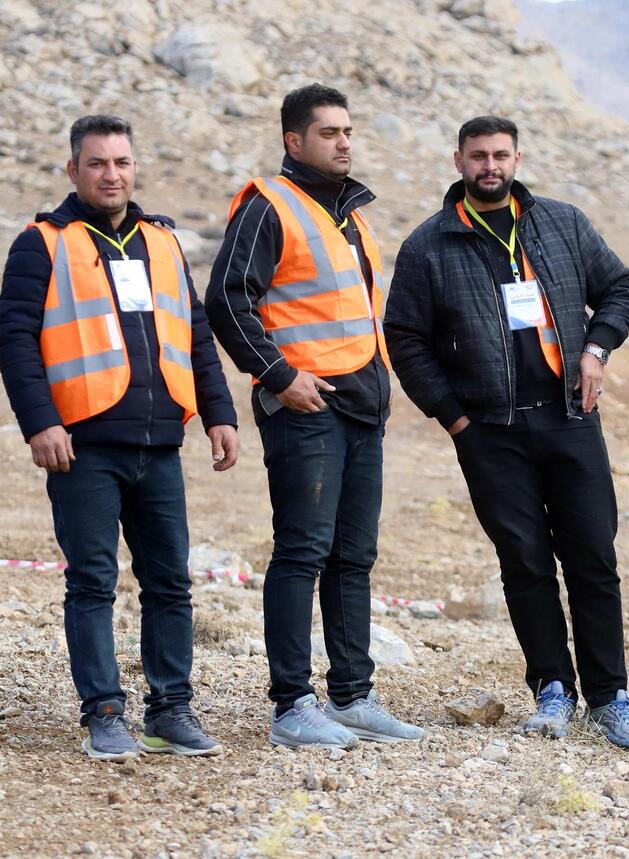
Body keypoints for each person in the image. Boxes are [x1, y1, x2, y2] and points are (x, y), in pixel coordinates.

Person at [385, 115, 629, 750]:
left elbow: (620, 288)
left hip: (570, 417)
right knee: (525, 562)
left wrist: (596, 350)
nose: (490, 166)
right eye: (478, 156)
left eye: (500, 155)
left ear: (516, 160)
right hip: (490, 432)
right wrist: (454, 418)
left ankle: (610, 697)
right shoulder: (429, 245)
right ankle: (552, 689)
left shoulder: (561, 223)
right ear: (458, 162)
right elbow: (404, 338)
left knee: (593, 557)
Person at [0, 114, 239, 761]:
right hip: (83, 445)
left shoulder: (162, 242)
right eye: (98, 163)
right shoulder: (42, 243)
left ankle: (170, 712)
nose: (112, 174)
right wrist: (41, 422)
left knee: (171, 584)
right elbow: (15, 340)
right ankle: (104, 713)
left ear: (134, 167)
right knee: (92, 584)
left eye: (122, 162)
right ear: (73, 170)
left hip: (159, 443)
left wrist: (219, 412)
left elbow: (195, 333)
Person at [205, 84, 423, 749]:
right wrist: (278, 375)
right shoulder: (269, 205)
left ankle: (352, 696)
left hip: (362, 404)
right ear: (294, 141)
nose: (344, 142)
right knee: (302, 551)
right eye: (329, 132)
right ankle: (292, 705)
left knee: (354, 556)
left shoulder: (350, 215)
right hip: (306, 407)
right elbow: (226, 299)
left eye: (348, 131)